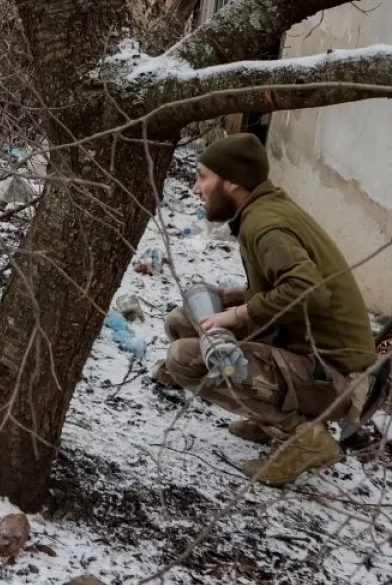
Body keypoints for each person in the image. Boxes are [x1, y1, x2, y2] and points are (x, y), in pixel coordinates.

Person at [157, 133, 377, 486]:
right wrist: (232, 297)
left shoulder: (265, 224)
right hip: (311, 352)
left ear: (231, 182)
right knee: (184, 322)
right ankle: (270, 418)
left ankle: (303, 437)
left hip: (338, 379)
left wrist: (236, 314)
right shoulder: (263, 209)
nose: (196, 187)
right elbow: (284, 288)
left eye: (202, 176)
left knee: (186, 358)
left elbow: (309, 291)